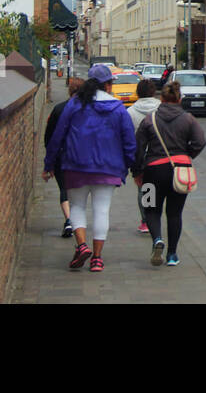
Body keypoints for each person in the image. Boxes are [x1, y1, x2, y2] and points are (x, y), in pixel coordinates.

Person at [43, 63, 136, 273]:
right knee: (102, 210)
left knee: (76, 207)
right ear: (108, 85)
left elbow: (58, 136)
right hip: (108, 167)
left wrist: (49, 164)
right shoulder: (118, 108)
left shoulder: (75, 104)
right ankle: (97, 258)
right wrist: (129, 165)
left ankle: (82, 245)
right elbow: (129, 140)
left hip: (76, 164)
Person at [133, 80, 206, 267]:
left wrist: (137, 172)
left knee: (150, 208)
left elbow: (138, 148)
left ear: (161, 99)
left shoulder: (149, 119)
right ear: (179, 98)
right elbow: (200, 142)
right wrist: (186, 155)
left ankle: (157, 239)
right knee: (175, 213)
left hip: (152, 172)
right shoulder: (189, 118)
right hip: (180, 173)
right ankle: (172, 254)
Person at [44, 76, 85, 237]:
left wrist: (49, 163)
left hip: (62, 155)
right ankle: (76, 221)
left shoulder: (59, 109)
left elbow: (49, 137)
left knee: (64, 188)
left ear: (70, 90)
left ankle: (69, 220)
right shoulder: (88, 109)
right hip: (82, 156)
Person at [127, 78, 162, 235]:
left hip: (141, 155)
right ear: (153, 92)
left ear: (138, 93)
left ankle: (146, 221)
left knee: (144, 188)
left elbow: (128, 137)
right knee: (159, 189)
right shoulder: (161, 109)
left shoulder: (130, 112)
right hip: (160, 155)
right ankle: (156, 218)